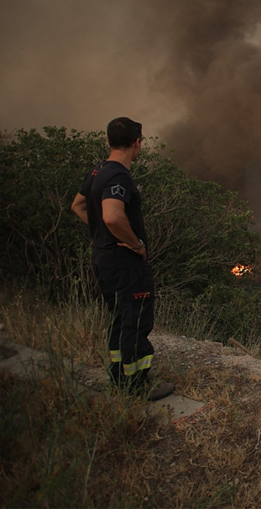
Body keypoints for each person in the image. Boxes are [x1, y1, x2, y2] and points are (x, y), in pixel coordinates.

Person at [71, 117, 173, 401]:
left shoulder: (96, 172)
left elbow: (77, 205)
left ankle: (118, 377)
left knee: (118, 318)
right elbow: (112, 216)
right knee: (136, 321)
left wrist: (100, 232)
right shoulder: (119, 176)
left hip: (103, 260)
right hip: (125, 264)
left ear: (109, 141)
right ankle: (138, 385)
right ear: (137, 142)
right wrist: (135, 244)